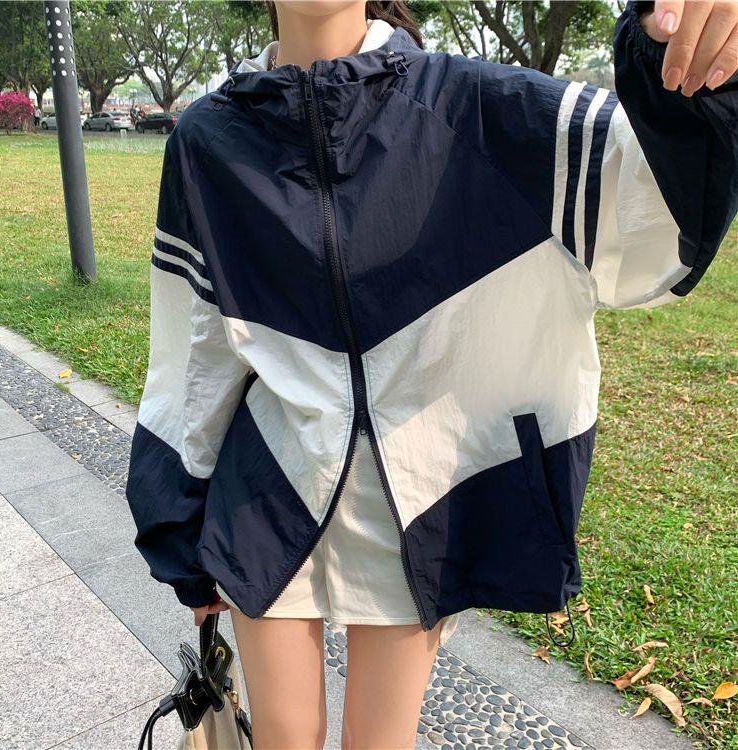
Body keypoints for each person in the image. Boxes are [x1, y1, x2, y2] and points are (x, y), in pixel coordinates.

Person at [125, 1, 737, 747]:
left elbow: (658, 221)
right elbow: (191, 352)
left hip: (418, 499)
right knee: (284, 737)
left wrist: (685, 61)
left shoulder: (485, 111)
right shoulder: (208, 139)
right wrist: (177, 529)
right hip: (266, 493)